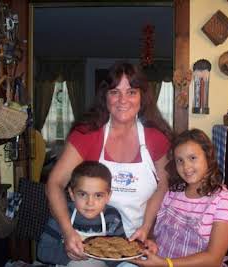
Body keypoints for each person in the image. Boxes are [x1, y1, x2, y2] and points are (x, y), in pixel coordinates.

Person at [45, 61, 173, 266]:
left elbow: (164, 186)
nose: (123, 100)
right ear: (105, 97)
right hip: (87, 247)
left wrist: (148, 231)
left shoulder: (156, 138)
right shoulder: (87, 135)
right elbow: (55, 183)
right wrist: (68, 232)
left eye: (131, 92)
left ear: (142, 97)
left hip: (137, 244)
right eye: (115, 92)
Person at [132, 129, 228, 267]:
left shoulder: (225, 201)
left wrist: (166, 264)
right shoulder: (172, 194)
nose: (186, 166)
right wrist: (151, 241)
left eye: (193, 158)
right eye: (180, 160)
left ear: (208, 157)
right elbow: (157, 231)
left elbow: (213, 259)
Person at [38, 161, 125, 267]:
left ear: (108, 196)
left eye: (98, 195)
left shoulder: (112, 218)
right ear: (72, 194)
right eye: (83, 194)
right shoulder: (62, 215)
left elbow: (121, 254)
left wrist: (104, 254)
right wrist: (67, 254)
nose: (90, 202)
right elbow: (42, 252)